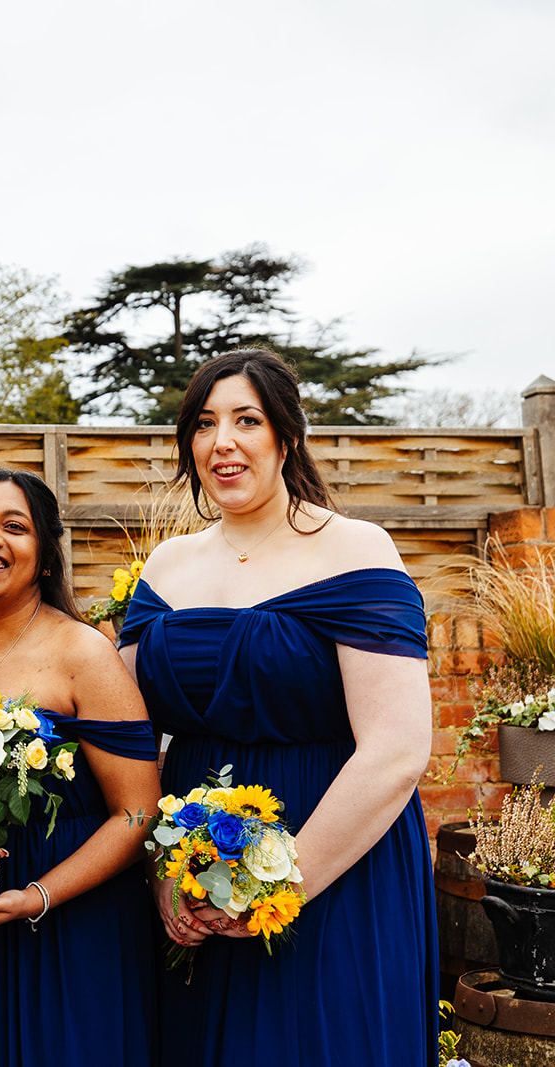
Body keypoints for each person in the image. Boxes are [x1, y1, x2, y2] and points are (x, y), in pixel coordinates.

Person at [118, 348, 436, 1065]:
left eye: (245, 420)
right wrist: (162, 869)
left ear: (286, 436)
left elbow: (396, 749)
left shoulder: (355, 550)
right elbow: (126, 737)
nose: (221, 441)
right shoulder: (167, 566)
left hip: (332, 866)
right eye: (204, 423)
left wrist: (278, 885)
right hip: (192, 875)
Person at [0, 468, 160, 1067]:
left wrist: (38, 895)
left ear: (45, 558)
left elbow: (136, 809)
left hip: (74, 918)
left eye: (13, 527)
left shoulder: (84, 654)